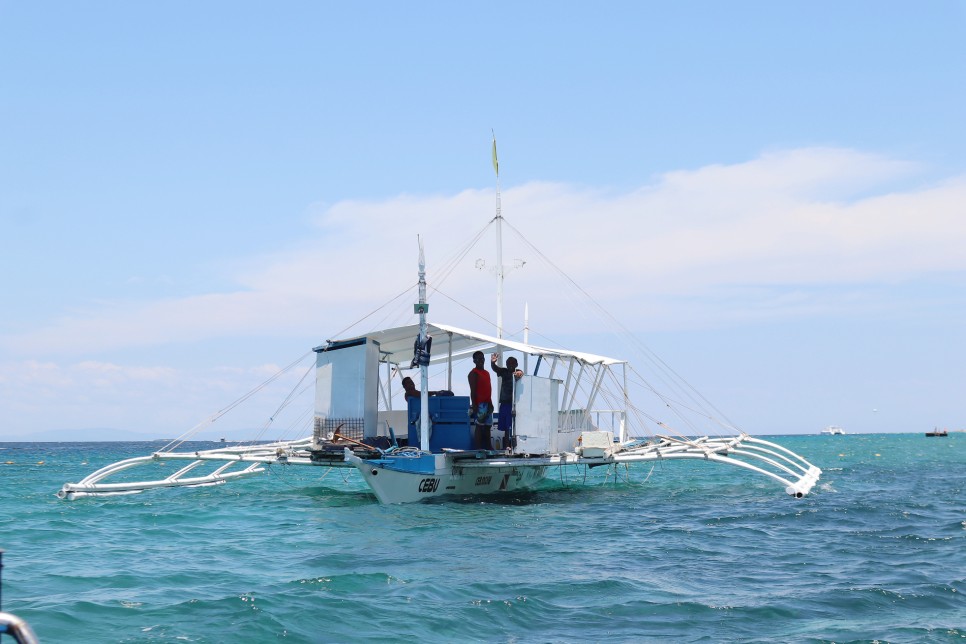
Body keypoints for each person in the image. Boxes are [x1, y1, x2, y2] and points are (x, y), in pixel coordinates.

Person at [491, 353, 523, 451]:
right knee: (505, 427)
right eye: (508, 363)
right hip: (504, 402)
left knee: (512, 426)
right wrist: (493, 362)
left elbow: (521, 373)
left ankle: (513, 445)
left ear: (516, 364)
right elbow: (495, 368)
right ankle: (506, 446)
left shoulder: (517, 372)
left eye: (512, 364)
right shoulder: (504, 371)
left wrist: (518, 373)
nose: (510, 365)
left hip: (513, 403)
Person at [467, 351, 493, 449]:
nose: (481, 360)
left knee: (488, 426)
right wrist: (474, 405)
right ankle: (478, 448)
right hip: (480, 404)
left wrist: (490, 403)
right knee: (479, 426)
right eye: (478, 359)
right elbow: (472, 391)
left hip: (487, 402)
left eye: (482, 358)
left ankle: (488, 446)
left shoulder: (487, 373)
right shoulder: (473, 374)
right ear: (474, 361)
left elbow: (488, 389)